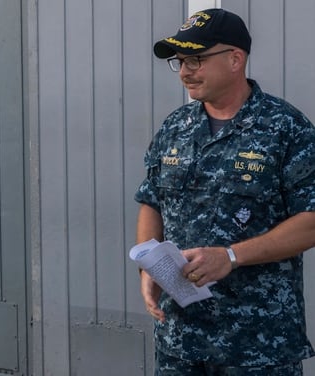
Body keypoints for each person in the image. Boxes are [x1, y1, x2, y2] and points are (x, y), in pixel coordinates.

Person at [134, 8, 315, 375]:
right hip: (180, 343)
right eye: (181, 61)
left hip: (258, 345)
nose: (185, 70)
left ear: (236, 59)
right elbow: (151, 200)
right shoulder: (175, 127)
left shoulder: (286, 129)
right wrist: (148, 267)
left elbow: (311, 220)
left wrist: (231, 256)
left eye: (196, 59)